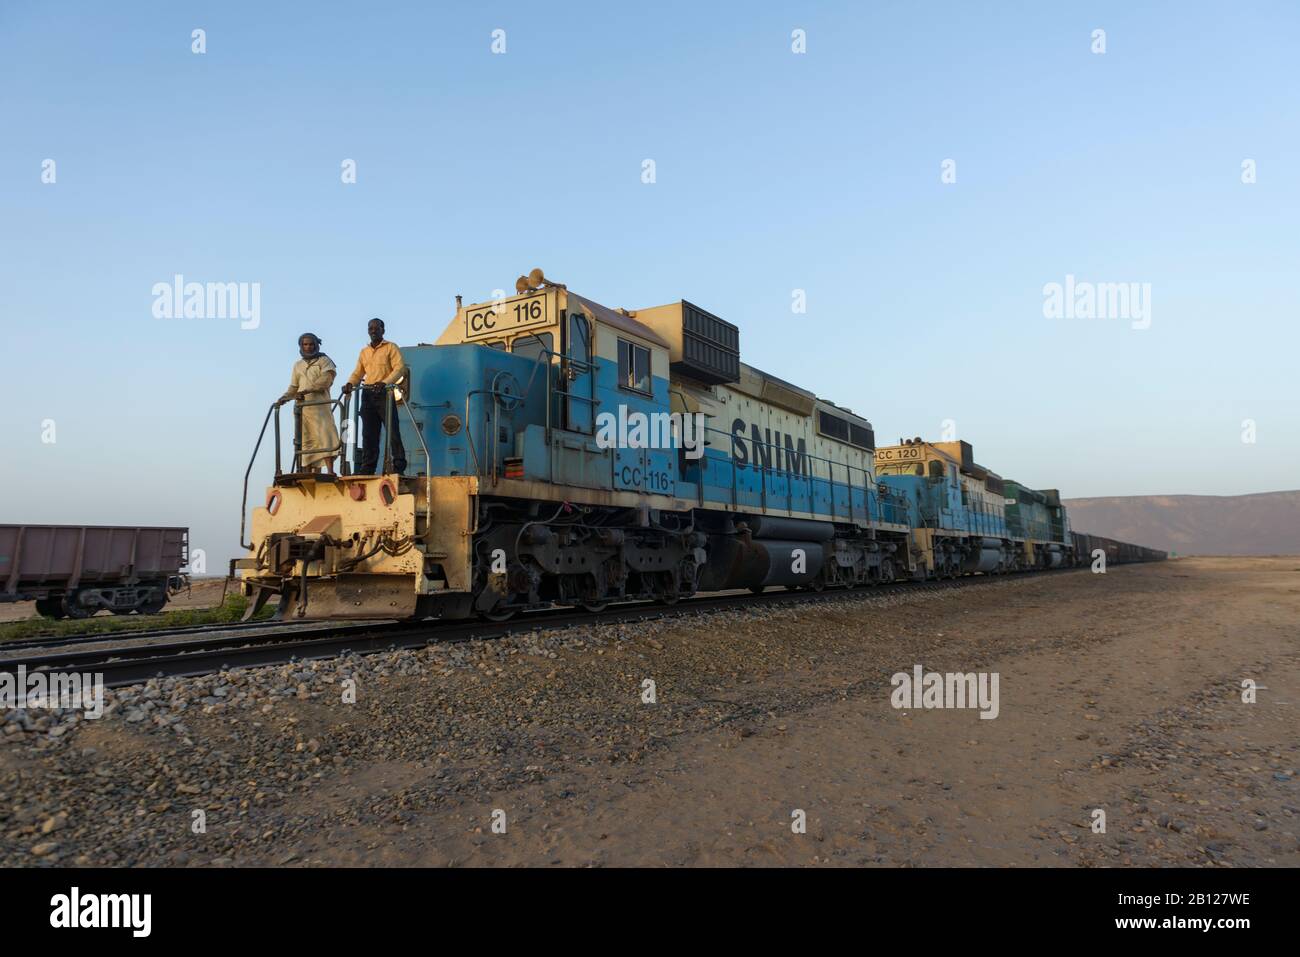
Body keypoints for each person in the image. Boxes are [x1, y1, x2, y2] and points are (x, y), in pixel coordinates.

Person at [341, 317, 407, 473]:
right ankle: (368, 467)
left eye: (376, 328)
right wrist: (351, 383)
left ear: (383, 330)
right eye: (370, 328)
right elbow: (358, 372)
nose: (373, 331)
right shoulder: (364, 352)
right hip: (367, 393)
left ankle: (398, 465)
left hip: (384, 393)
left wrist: (385, 382)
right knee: (369, 433)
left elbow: (400, 368)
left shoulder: (391, 347)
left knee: (392, 431)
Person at [279, 333, 340, 474]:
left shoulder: (324, 361)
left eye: (311, 344)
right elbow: (294, 387)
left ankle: (330, 471)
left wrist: (308, 390)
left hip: (320, 407)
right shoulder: (298, 365)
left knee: (326, 436)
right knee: (306, 440)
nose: (308, 347)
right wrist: (284, 397)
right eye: (305, 344)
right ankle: (307, 472)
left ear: (316, 345)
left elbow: (326, 379)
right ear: (301, 346)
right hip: (303, 409)